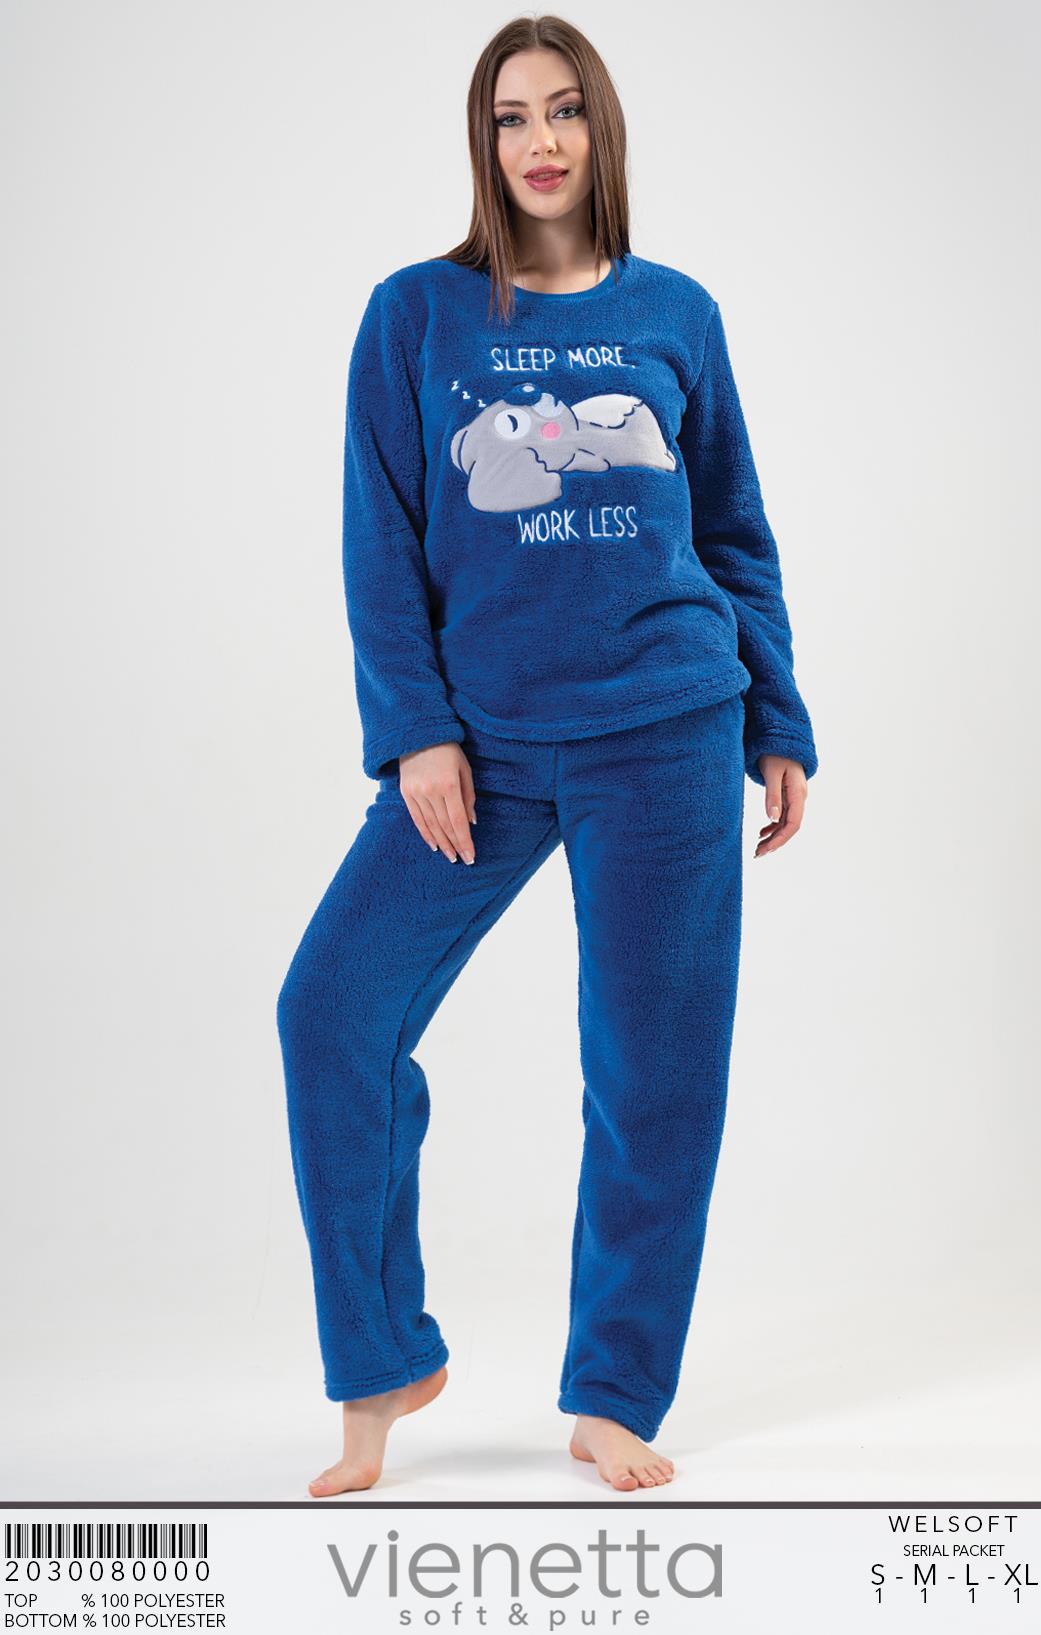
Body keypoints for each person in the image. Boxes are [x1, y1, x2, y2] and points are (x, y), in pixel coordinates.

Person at [276, 13, 818, 1497]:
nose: (540, 141)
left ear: (601, 130)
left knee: (653, 1076)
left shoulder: (677, 312)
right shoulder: (416, 314)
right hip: (486, 751)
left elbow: (732, 532)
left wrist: (775, 718)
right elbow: (381, 539)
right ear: (483, 140)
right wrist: (416, 734)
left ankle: (614, 1393)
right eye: (511, 116)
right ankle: (381, 1365)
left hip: (668, 730)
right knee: (332, 1011)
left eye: (564, 110)